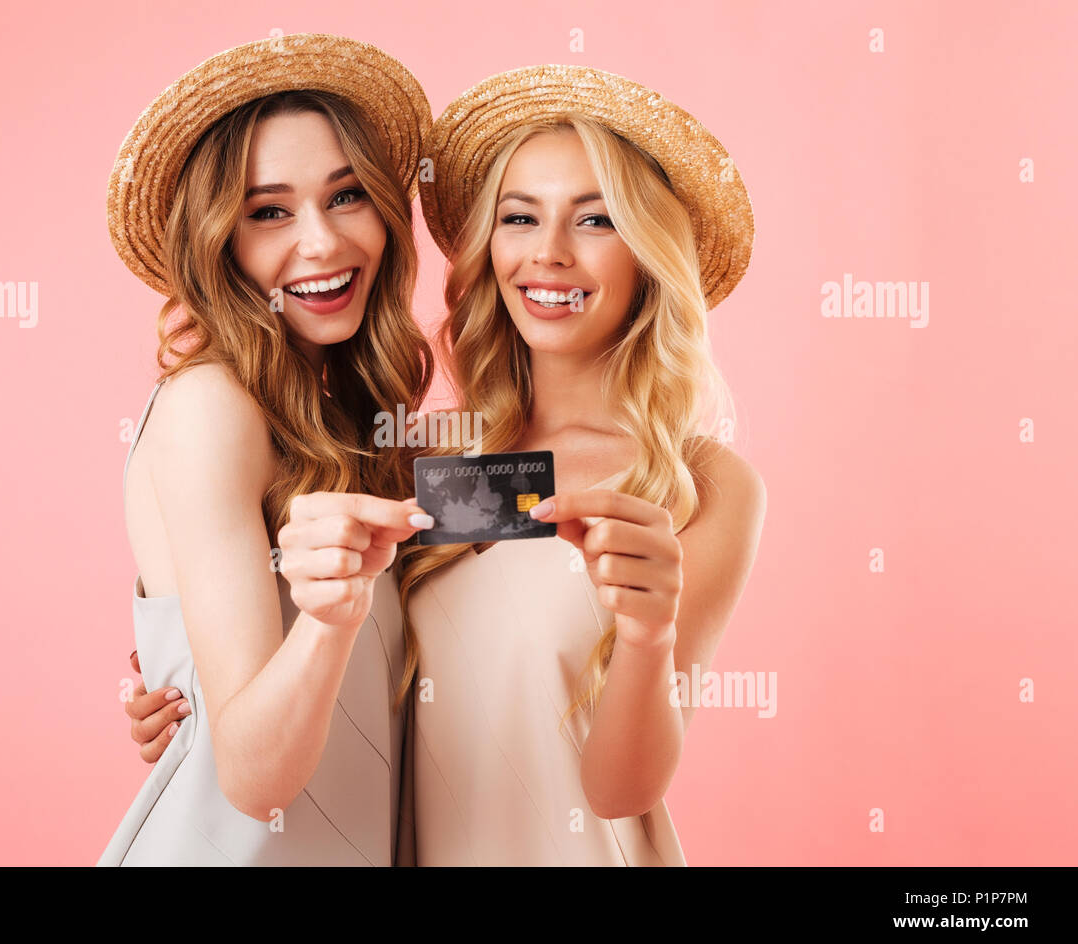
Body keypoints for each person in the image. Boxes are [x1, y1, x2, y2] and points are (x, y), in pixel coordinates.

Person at [130, 64, 767, 867]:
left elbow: (620, 794)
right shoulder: (429, 463)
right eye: (519, 217)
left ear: (650, 250)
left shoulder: (701, 487)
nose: (550, 254)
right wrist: (180, 679)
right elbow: (310, 672)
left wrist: (647, 635)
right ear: (488, 247)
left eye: (597, 220)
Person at [97, 34, 434, 866]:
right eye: (269, 211)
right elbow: (254, 775)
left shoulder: (341, 414)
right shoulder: (214, 407)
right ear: (219, 239)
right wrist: (325, 624)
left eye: (347, 195)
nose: (320, 243)